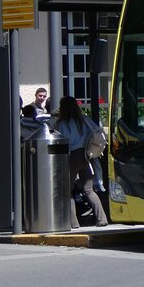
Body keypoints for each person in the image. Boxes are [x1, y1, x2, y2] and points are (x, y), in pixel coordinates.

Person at [52, 96, 109, 228]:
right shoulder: (84, 120)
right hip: (86, 156)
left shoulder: (61, 123)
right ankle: (102, 218)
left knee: (67, 191)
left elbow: (58, 139)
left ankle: (73, 222)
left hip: (71, 157)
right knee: (88, 189)